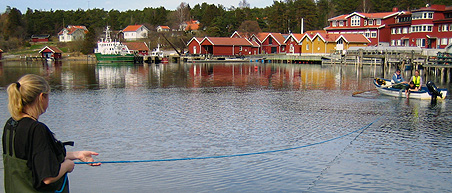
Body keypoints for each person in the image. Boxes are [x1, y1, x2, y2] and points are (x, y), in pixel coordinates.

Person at [2, 74, 100, 193]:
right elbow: (48, 177)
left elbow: (36, 159)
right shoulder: (36, 129)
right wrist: (67, 166)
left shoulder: (11, 124)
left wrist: (76, 154)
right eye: (48, 97)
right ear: (41, 97)